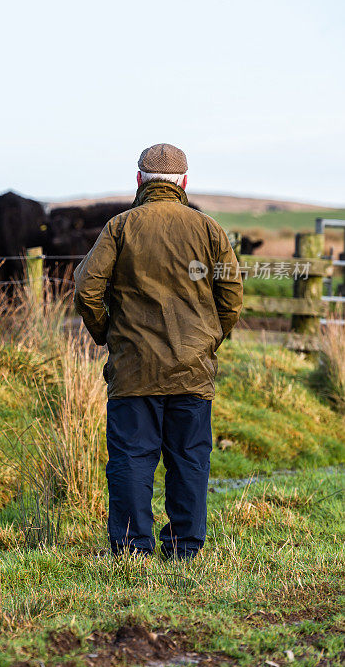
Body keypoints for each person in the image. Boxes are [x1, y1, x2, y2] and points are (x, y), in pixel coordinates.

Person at [73, 143, 243, 560]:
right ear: (184, 182)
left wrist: (107, 334)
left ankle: (132, 549)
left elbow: (86, 288)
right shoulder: (209, 230)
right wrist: (208, 340)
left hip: (134, 370)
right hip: (192, 370)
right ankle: (185, 547)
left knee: (131, 458)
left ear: (139, 180)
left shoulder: (120, 227)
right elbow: (232, 295)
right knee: (189, 459)